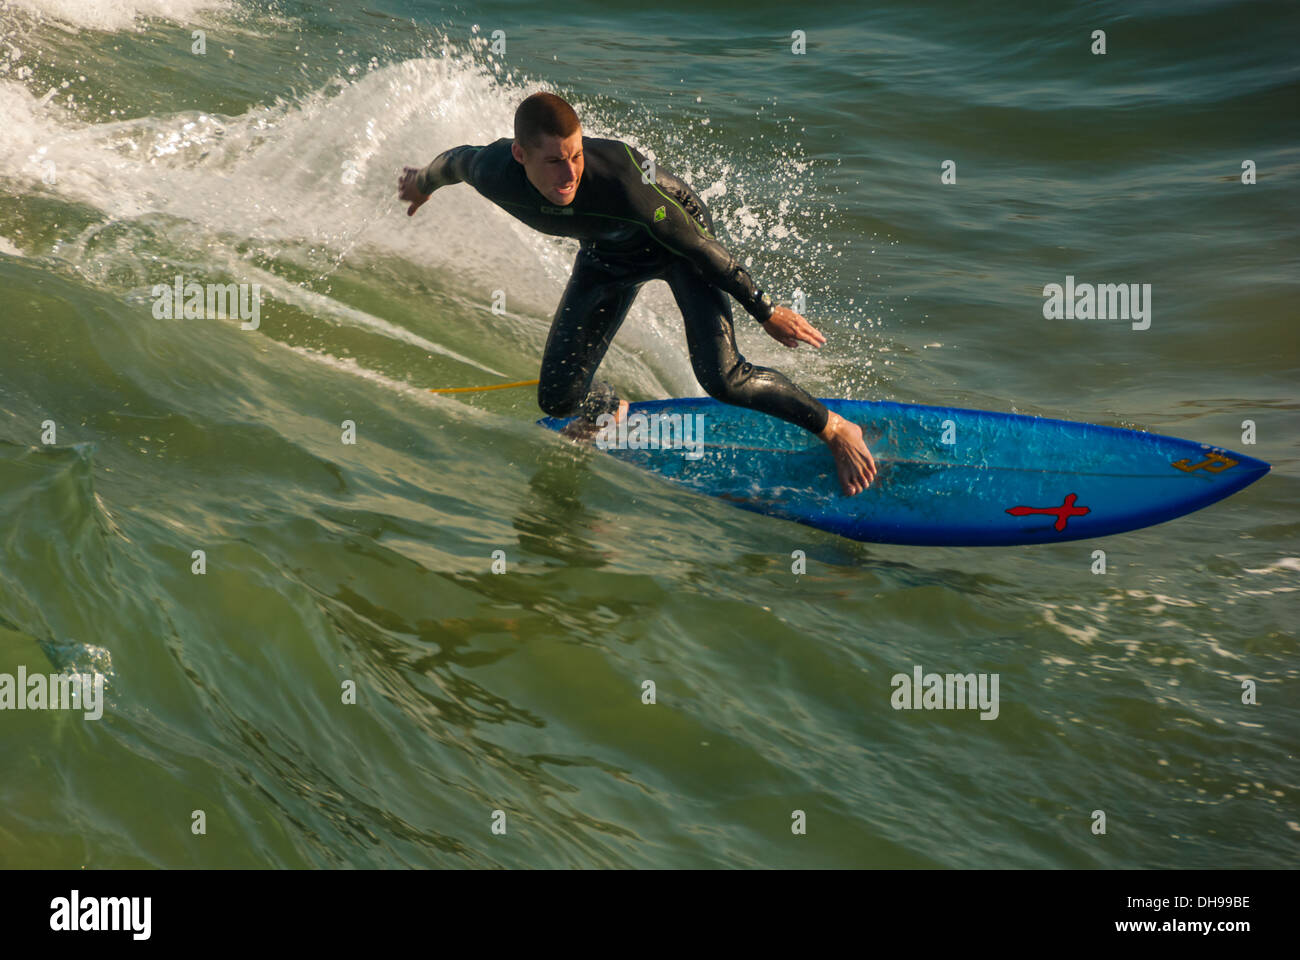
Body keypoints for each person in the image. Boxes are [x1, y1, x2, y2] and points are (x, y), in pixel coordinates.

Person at [398, 92, 876, 495]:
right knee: (558, 397)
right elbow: (454, 161)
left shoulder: (624, 186)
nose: (570, 174)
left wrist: (766, 310)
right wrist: (422, 184)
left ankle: (835, 428)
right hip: (608, 254)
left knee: (722, 378)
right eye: (555, 162)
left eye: (577, 156)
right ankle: (611, 409)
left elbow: (700, 247)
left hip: (680, 244)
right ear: (520, 156)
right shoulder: (493, 170)